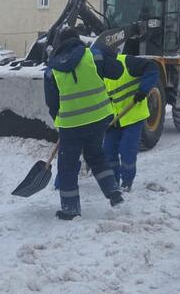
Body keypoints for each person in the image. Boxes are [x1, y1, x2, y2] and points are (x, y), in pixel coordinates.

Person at [44, 28, 125, 220]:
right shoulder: (93, 56)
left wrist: (61, 122)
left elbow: (52, 103)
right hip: (99, 118)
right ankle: (113, 191)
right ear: (77, 40)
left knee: (68, 166)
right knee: (96, 155)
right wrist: (109, 55)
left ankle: (70, 209)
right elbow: (118, 72)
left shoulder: (51, 70)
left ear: (58, 45)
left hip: (71, 124)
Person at [103, 54, 159, 192]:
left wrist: (143, 90)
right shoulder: (99, 70)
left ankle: (127, 182)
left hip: (133, 116)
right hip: (113, 119)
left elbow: (152, 67)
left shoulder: (127, 62)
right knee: (108, 151)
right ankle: (113, 182)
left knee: (127, 149)